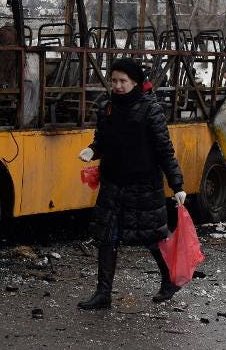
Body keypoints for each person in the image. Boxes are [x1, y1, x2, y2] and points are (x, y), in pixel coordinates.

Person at [77, 58, 185, 310]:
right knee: (107, 237)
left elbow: (164, 150)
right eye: (113, 80)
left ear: (135, 82)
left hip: (143, 185)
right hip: (113, 183)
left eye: (123, 81)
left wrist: (177, 185)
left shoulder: (150, 109)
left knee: (152, 236)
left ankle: (170, 281)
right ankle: (103, 294)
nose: (117, 85)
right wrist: (92, 151)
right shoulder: (107, 108)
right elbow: (101, 141)